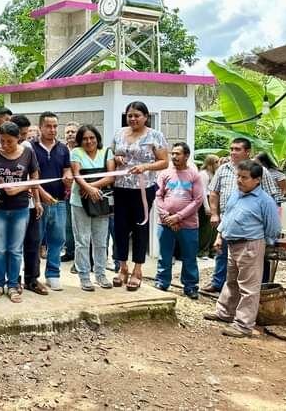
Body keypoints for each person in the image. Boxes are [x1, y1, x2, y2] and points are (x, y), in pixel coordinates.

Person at [204, 160, 281, 337]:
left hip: (250, 245)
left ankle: (243, 326)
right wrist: (220, 236)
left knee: (248, 288)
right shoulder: (235, 194)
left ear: (257, 180)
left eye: (244, 177)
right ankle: (225, 313)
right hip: (232, 244)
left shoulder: (265, 201)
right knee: (231, 281)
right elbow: (228, 216)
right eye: (238, 176)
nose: (239, 180)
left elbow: (274, 228)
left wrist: (262, 244)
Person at [204, 138, 280, 293]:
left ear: (247, 152)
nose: (233, 152)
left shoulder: (260, 171)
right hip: (228, 219)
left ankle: (261, 288)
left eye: (237, 149)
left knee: (257, 261)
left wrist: (268, 236)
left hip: (252, 226)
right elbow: (214, 192)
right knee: (223, 255)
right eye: (231, 149)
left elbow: (272, 198)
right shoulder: (223, 169)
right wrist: (214, 214)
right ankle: (219, 283)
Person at [112, 101, 169, 291]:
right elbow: (113, 154)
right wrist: (117, 158)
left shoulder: (155, 136)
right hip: (120, 188)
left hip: (143, 190)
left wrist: (145, 167)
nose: (133, 119)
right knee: (119, 228)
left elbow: (164, 162)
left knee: (140, 228)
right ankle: (122, 267)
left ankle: (137, 269)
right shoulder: (120, 133)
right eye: (130, 115)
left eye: (137, 115)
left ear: (145, 117)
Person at [0, 122, 39, 303]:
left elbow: (35, 180)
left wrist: (18, 189)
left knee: (15, 250)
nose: (5, 145)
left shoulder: (28, 153)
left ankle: (13, 285)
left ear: (18, 139)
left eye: (10, 141)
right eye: (2, 141)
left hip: (20, 207)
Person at [154, 142, 203, 299]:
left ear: (186, 156)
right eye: (172, 153)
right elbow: (158, 196)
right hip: (165, 223)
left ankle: (190, 286)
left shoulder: (194, 175)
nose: (174, 156)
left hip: (188, 225)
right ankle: (162, 281)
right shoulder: (164, 174)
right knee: (165, 254)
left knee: (189, 256)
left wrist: (178, 217)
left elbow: (198, 200)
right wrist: (166, 217)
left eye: (178, 154)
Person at [32, 112, 73, 291]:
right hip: (37, 203)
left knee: (57, 239)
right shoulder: (31, 148)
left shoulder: (63, 149)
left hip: (59, 201)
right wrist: (41, 194)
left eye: (55, 126)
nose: (52, 130)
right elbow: (30, 177)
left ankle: (53, 274)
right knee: (35, 240)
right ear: (40, 127)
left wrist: (67, 177)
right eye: (48, 126)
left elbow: (67, 170)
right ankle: (32, 276)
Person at [70, 125, 115, 292]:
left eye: (92, 138)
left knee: (101, 240)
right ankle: (84, 276)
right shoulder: (76, 153)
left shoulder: (107, 153)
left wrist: (91, 187)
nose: (89, 141)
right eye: (85, 139)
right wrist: (87, 188)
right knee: (82, 240)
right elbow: (76, 174)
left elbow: (110, 176)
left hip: (101, 200)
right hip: (79, 202)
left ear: (97, 138)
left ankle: (101, 274)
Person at [11, 115, 46, 295]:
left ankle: (32, 279)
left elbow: (35, 177)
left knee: (33, 241)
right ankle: (13, 280)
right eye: (21, 134)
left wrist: (38, 201)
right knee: (14, 244)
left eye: (26, 134)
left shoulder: (29, 147)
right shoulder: (2, 149)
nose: (24, 137)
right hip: (14, 205)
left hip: (31, 204)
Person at [197, 155, 220, 257]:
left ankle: (211, 249)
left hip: (213, 200)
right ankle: (202, 250)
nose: (218, 164)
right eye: (216, 162)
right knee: (205, 229)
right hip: (205, 201)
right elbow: (202, 191)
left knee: (213, 228)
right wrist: (207, 207)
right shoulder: (204, 174)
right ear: (210, 163)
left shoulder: (214, 174)